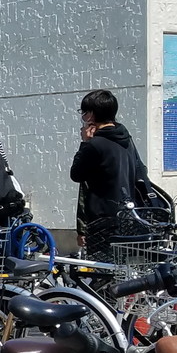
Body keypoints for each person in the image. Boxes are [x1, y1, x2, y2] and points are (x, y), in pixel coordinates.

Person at [71, 88, 149, 244]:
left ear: (91, 115)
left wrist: (85, 143)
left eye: (84, 112)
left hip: (102, 221)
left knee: (103, 259)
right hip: (128, 216)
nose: (83, 117)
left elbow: (76, 174)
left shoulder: (95, 144)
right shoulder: (127, 140)